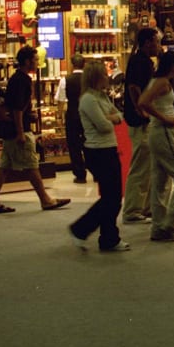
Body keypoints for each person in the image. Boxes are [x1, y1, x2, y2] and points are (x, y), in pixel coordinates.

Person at [0, 46, 70, 214]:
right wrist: (21, 132)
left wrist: (27, 116)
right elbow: (16, 109)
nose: (38, 62)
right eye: (35, 59)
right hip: (17, 131)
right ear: (27, 61)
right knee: (31, 165)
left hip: (11, 130)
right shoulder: (22, 80)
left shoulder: (17, 78)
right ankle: (45, 200)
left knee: (4, 167)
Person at [69, 61, 129, 252]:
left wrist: (111, 118)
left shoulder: (101, 97)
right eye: (104, 74)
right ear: (96, 77)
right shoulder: (88, 99)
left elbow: (118, 115)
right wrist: (111, 118)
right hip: (98, 151)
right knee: (110, 198)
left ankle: (107, 237)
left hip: (108, 148)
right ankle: (83, 229)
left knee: (112, 197)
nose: (108, 77)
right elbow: (104, 126)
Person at [138, 50, 174, 242]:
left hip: (158, 131)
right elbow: (143, 101)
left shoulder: (160, 81)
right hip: (163, 132)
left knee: (160, 181)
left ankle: (159, 226)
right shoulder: (162, 82)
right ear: (173, 65)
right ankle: (171, 224)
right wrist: (165, 118)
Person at [121, 28, 161, 224]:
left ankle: (145, 207)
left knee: (148, 166)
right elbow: (134, 88)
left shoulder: (141, 61)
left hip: (140, 120)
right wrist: (141, 110)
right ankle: (132, 210)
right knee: (141, 166)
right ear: (147, 43)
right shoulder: (140, 62)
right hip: (140, 122)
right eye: (156, 42)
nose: (158, 45)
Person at [56, 53, 88, 183]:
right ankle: (96, 171)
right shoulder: (89, 79)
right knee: (90, 142)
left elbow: (61, 99)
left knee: (74, 145)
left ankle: (80, 174)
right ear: (84, 64)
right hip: (88, 115)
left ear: (72, 65)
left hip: (73, 114)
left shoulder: (65, 80)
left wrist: (59, 115)